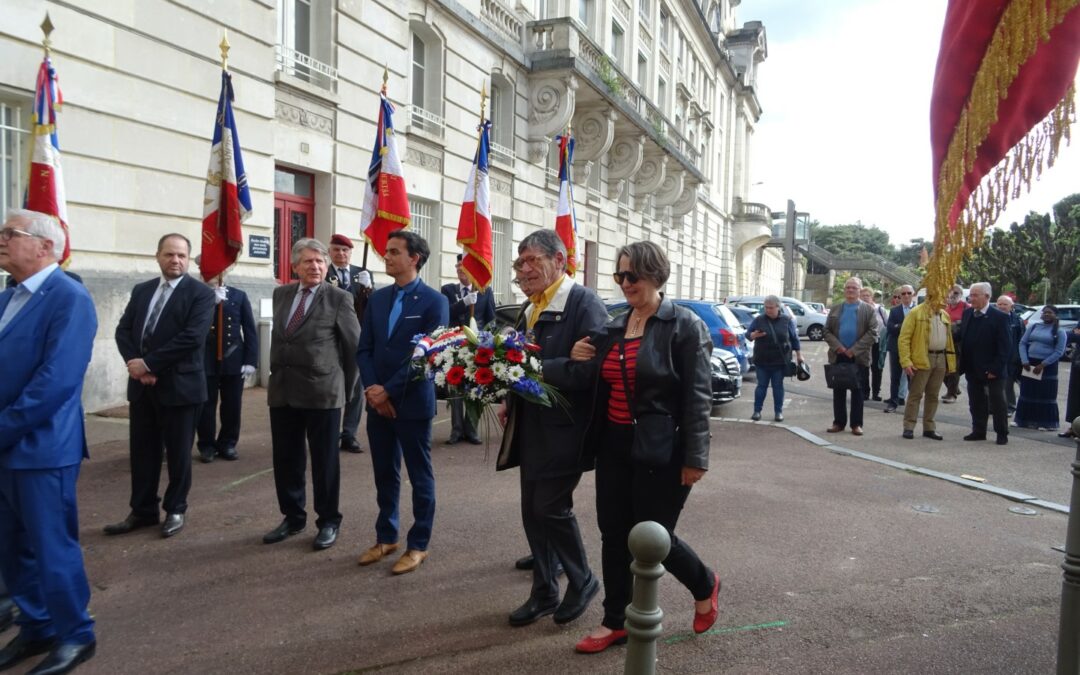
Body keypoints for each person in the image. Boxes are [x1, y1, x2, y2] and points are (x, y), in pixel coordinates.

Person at [568, 241, 721, 654]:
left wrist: (695, 458)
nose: (625, 284)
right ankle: (614, 620)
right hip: (614, 444)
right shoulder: (615, 327)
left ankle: (704, 582)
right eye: (619, 276)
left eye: (631, 275)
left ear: (655, 274)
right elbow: (588, 361)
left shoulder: (685, 325)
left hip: (663, 447)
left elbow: (698, 398)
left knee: (653, 536)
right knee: (613, 533)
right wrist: (579, 351)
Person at [0, 209, 97, 673]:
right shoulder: (9, 298)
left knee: (51, 545)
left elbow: (55, 381)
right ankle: (36, 628)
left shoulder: (69, 298)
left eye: (10, 233)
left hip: (42, 448)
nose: (1, 240)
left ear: (44, 246)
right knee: (10, 547)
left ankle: (75, 634)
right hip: (6, 448)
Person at [497, 229, 608, 628]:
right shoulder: (532, 306)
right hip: (532, 425)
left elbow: (590, 371)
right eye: (520, 263)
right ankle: (544, 590)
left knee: (550, 507)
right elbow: (519, 360)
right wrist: (510, 399)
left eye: (532, 261)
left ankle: (583, 579)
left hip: (568, 429)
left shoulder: (584, 303)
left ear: (559, 261)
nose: (524, 270)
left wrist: (537, 369)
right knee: (532, 510)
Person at [107, 233, 216, 539]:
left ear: (188, 258)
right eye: (169, 255)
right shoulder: (142, 290)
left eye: (181, 255)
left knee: (179, 455)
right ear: (158, 256)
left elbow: (192, 338)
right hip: (143, 387)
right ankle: (142, 510)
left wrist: (150, 363)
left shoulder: (200, 294)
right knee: (142, 452)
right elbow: (123, 330)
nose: (175, 260)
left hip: (181, 389)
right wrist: (136, 364)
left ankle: (176, 509)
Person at [356, 230, 448, 575]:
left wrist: (389, 391)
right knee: (384, 473)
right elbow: (364, 349)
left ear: (415, 258)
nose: (387, 256)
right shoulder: (378, 299)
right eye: (387, 251)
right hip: (377, 402)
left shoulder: (433, 301)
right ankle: (386, 536)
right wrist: (372, 390)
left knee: (420, 476)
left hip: (411, 403)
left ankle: (418, 544)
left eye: (395, 252)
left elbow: (427, 356)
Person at [263, 238, 360, 551]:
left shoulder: (339, 298)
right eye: (308, 262)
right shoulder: (281, 294)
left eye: (320, 262)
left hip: (323, 393)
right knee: (287, 458)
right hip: (283, 391)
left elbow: (353, 348)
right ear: (294, 267)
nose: (315, 267)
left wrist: (344, 391)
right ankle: (292, 517)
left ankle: (328, 520)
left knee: (324, 462)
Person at [195, 269, 258, 463]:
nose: (212, 274)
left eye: (217, 270)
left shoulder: (238, 295)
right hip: (205, 359)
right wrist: (209, 302)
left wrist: (250, 360)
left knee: (232, 405)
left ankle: (228, 442)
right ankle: (206, 445)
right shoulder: (195, 295)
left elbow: (249, 329)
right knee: (205, 405)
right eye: (208, 269)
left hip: (233, 358)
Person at [440, 253, 496, 445]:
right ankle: (456, 430)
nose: (460, 271)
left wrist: (489, 339)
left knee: (476, 386)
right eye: (457, 267)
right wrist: (463, 303)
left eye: (464, 267)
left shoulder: (485, 290)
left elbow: (491, 318)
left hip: (476, 344)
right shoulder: (448, 290)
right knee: (455, 386)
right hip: (455, 343)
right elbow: (445, 313)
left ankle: (471, 429)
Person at [326, 234, 374, 454]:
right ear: (330, 252)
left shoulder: (362, 274)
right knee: (331, 387)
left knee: (356, 389)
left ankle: (349, 434)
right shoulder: (323, 273)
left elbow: (370, 308)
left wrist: (369, 289)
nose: (341, 254)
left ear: (350, 253)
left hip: (357, 340)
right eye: (336, 250)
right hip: (331, 339)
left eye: (345, 251)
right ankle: (330, 433)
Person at [957, 282, 1012, 445]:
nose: (971, 299)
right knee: (976, 401)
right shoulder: (968, 314)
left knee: (997, 403)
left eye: (975, 295)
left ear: (987, 296)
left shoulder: (1000, 317)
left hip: (992, 369)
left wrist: (995, 368)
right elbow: (961, 336)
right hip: (972, 367)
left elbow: (1005, 347)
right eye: (970, 295)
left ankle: (1002, 433)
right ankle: (979, 430)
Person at [823, 277, 878, 436]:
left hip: (858, 356)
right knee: (838, 390)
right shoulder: (835, 309)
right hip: (838, 355)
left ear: (860, 290)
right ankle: (838, 423)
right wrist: (838, 347)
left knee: (857, 391)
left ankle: (856, 424)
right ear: (844, 290)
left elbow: (873, 333)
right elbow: (826, 331)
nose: (850, 290)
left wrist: (854, 350)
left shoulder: (868, 310)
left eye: (854, 288)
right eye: (848, 287)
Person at [897, 296, 955, 440]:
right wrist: (906, 361)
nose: (946, 300)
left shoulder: (945, 315)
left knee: (933, 395)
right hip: (922, 358)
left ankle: (929, 428)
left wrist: (950, 362)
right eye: (943, 297)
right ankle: (909, 427)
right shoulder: (916, 312)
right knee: (916, 394)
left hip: (940, 358)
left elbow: (949, 340)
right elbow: (904, 338)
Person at [746, 295, 802, 422]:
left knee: (778, 386)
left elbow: (794, 339)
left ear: (778, 307)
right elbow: (748, 334)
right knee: (761, 386)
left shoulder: (787, 320)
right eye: (766, 307)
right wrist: (753, 335)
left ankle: (778, 412)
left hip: (780, 360)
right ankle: (757, 411)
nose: (768, 310)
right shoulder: (759, 319)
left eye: (771, 308)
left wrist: (799, 355)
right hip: (762, 360)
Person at [1014, 305, 1067, 430]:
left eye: (1049, 313)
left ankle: (1045, 422)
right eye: (1044, 313)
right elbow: (1022, 343)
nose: (1046, 315)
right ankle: (1023, 420)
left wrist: (1043, 364)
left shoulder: (1060, 331)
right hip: (1030, 364)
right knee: (1028, 392)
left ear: (1055, 315)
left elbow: (1059, 351)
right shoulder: (1034, 327)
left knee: (1044, 395)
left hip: (1047, 366)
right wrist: (1024, 360)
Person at [884, 285, 916, 413]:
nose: (906, 296)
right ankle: (893, 402)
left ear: (913, 294)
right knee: (895, 377)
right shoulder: (894, 310)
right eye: (903, 294)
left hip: (913, 349)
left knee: (913, 378)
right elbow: (890, 328)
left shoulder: (919, 310)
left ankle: (912, 404)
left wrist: (900, 327)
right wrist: (905, 326)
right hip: (896, 348)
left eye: (909, 293)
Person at [996, 295, 1024, 414]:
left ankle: (1010, 406)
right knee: (993, 384)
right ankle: (993, 407)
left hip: (1012, 358)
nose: (1002, 306)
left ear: (1011, 306)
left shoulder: (1017, 321)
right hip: (995, 356)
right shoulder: (992, 318)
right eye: (1000, 304)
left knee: (1008, 383)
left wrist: (1019, 357)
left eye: (1005, 304)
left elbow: (1022, 340)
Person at [942, 285, 970, 404]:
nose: (953, 294)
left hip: (958, 343)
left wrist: (954, 325)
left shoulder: (966, 307)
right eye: (950, 292)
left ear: (961, 295)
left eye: (956, 293)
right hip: (944, 341)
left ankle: (951, 394)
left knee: (954, 369)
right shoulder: (945, 307)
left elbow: (966, 325)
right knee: (942, 368)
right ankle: (953, 388)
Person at [859, 287, 887, 402]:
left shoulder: (880, 309)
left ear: (872, 297)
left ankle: (876, 393)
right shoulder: (858, 309)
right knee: (864, 368)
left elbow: (886, 325)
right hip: (863, 343)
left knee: (877, 368)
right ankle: (865, 392)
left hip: (878, 342)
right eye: (863, 295)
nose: (865, 297)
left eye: (867, 295)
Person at [1060, 327, 1080, 439]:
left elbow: (1074, 335)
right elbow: (1071, 335)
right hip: (1077, 364)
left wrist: (1076, 334)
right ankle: (1074, 427)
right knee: (1075, 398)